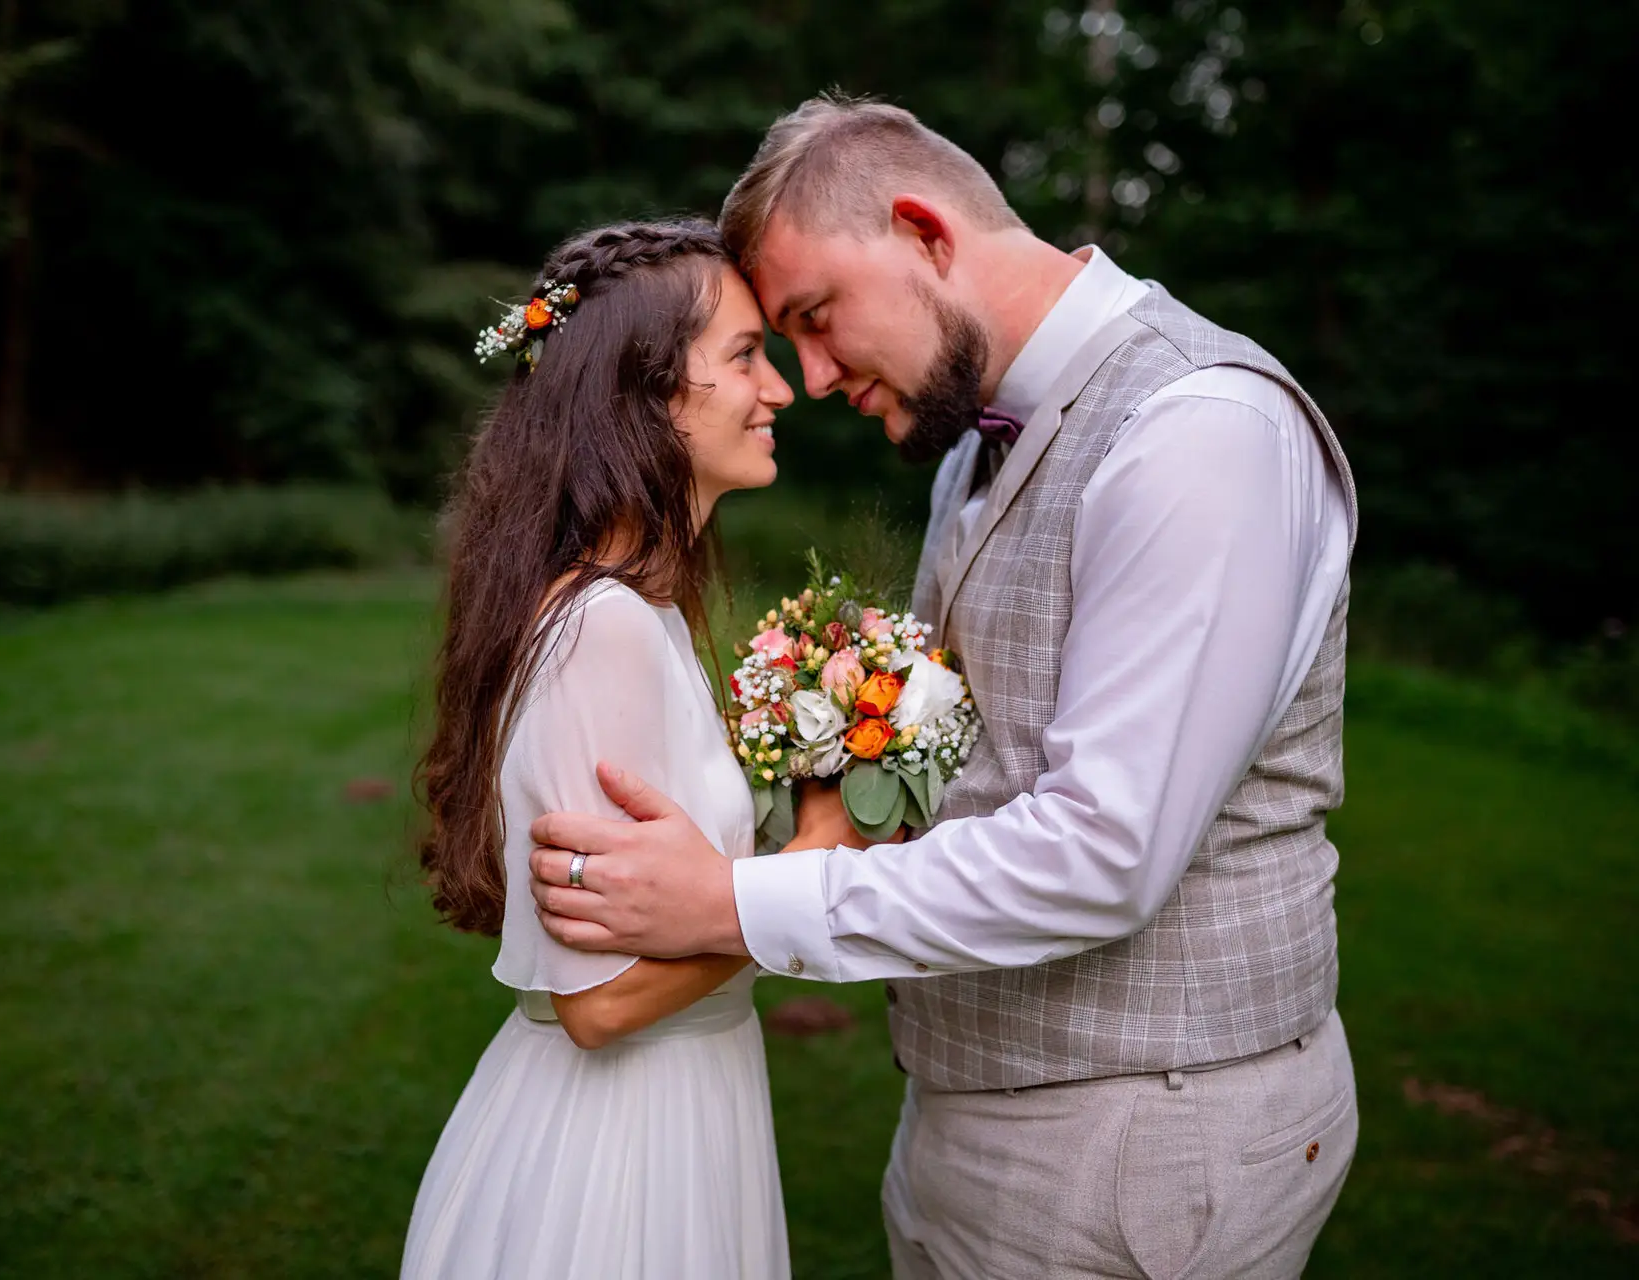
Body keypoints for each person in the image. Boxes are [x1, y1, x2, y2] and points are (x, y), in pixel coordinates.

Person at [528, 97, 1361, 1279]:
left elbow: (1101, 850)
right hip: (978, 1114)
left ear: (925, 233)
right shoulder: (974, 438)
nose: (810, 380)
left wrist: (733, 899)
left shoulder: (1199, 430)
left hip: (1142, 1137)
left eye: (816, 320)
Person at [399, 219, 818, 1279]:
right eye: (743, 356)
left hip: (682, 1104)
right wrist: (818, 875)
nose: (781, 390)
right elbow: (601, 1001)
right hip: (618, 1160)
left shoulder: (640, 611)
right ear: (649, 396)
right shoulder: (604, 626)